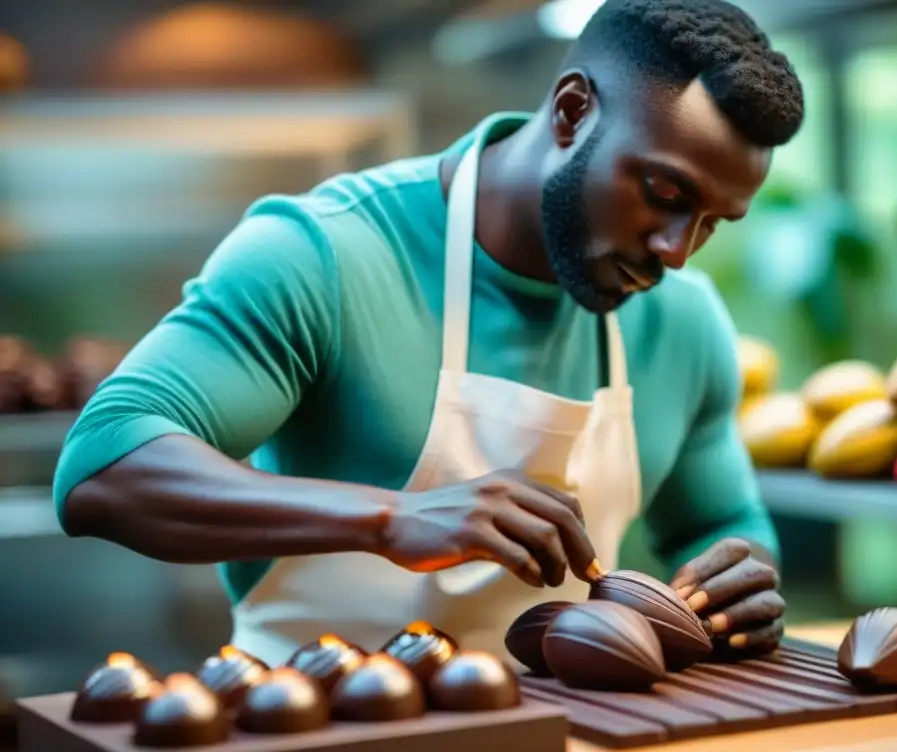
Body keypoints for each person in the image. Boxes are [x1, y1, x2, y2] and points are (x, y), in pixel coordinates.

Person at [54, 0, 804, 667]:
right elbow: (102, 468)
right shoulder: (325, 253)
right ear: (573, 112)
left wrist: (739, 580)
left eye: (710, 222)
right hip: (311, 730)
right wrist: (390, 518)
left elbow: (720, 521)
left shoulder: (684, 319)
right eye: (664, 193)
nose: (677, 249)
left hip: (571, 740)